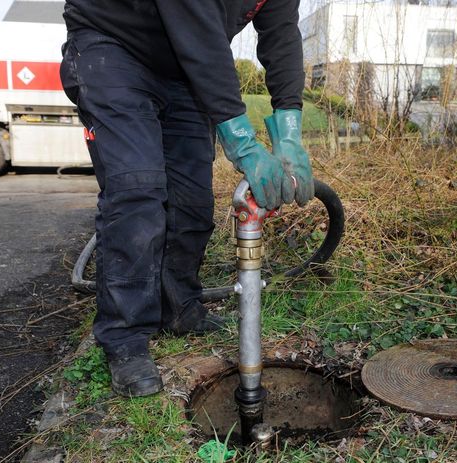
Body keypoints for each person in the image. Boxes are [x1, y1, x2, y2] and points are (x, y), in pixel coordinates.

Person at [59, 0, 314, 398]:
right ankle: (125, 338)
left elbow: (281, 36)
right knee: (137, 191)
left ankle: (179, 307)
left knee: (191, 198)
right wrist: (244, 145)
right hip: (112, 45)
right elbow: (200, 34)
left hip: (183, 68)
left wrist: (290, 132)